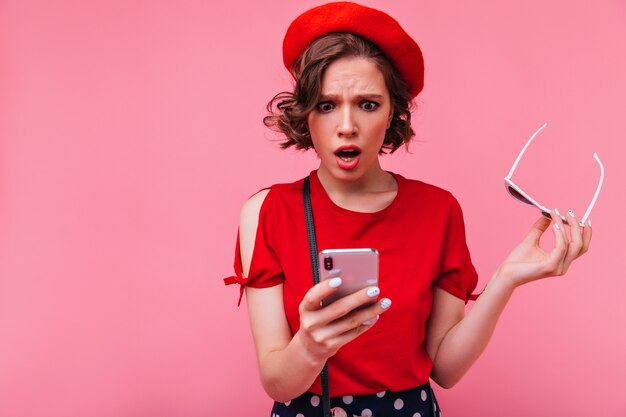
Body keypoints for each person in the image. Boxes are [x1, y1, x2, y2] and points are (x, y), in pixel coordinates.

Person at [224, 3, 592, 416]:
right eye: (327, 105)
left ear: (393, 113)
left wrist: (505, 280)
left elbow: (446, 369)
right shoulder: (267, 212)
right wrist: (311, 343)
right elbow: (277, 382)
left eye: (367, 104)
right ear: (306, 113)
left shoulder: (438, 210)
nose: (347, 125)